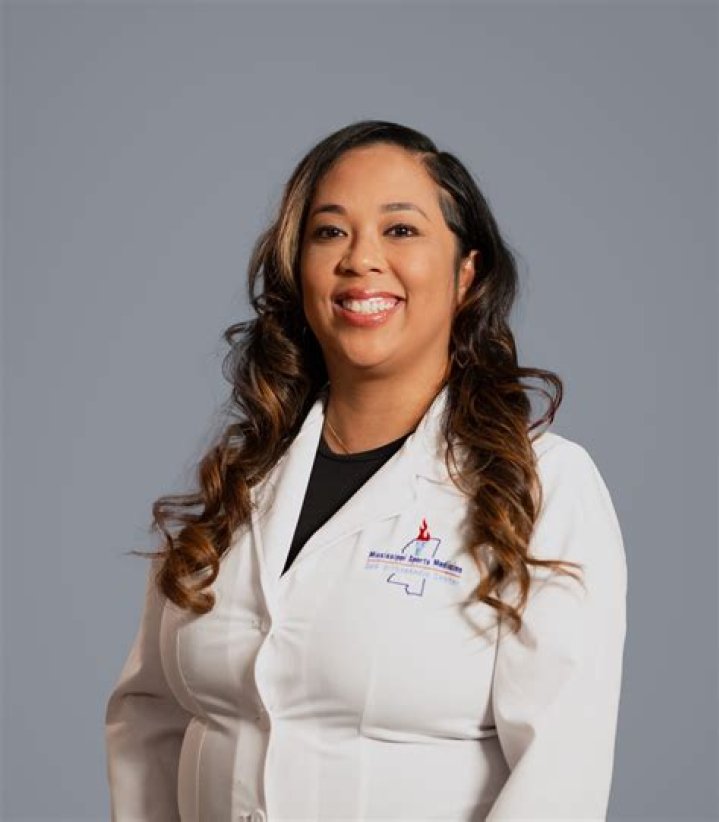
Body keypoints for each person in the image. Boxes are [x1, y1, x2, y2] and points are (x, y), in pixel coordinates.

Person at [104, 120, 628, 821]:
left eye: (400, 230)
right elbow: (149, 724)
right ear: (299, 270)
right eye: (330, 233)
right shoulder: (233, 487)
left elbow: (559, 777)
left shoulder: (544, 488)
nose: (361, 260)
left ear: (466, 273)